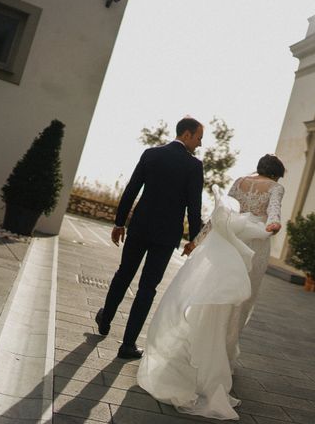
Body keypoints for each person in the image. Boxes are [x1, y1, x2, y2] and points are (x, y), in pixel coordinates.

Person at [137, 154, 285, 420]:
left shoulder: (240, 181)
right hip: (255, 248)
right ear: (276, 174)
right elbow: (273, 212)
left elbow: (221, 215)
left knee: (219, 300)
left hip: (229, 247)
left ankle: (206, 349)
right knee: (241, 303)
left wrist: (196, 240)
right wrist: (273, 223)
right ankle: (221, 360)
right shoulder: (275, 187)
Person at [95, 117, 204, 359]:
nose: (199, 144)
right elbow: (194, 209)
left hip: (140, 227)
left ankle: (106, 319)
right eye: (198, 138)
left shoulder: (151, 154)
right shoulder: (194, 166)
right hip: (166, 235)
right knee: (148, 287)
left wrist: (119, 222)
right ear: (187, 135)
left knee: (124, 273)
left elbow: (131, 189)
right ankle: (128, 344)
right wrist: (194, 239)